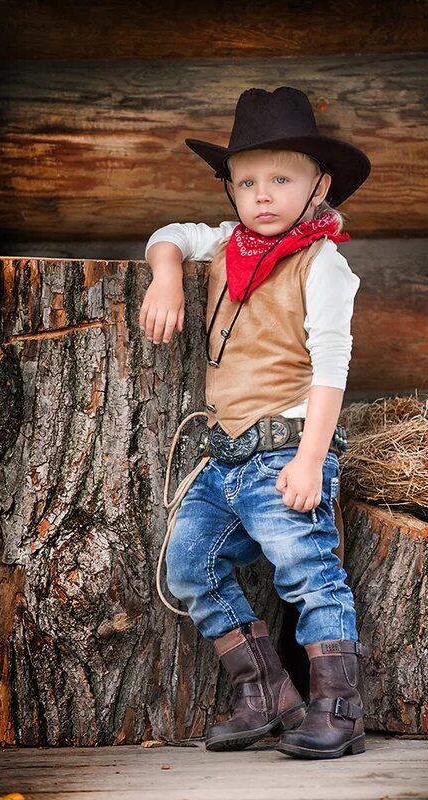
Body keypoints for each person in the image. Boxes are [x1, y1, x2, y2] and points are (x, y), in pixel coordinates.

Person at [140, 86, 371, 760]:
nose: (262, 195)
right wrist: (165, 275)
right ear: (230, 190)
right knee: (188, 566)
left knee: (307, 573)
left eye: (281, 179)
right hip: (224, 458)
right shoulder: (225, 244)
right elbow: (170, 236)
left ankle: (338, 708)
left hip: (286, 449)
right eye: (246, 181)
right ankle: (265, 691)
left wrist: (310, 460)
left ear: (319, 185)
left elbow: (330, 366)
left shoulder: (322, 263)